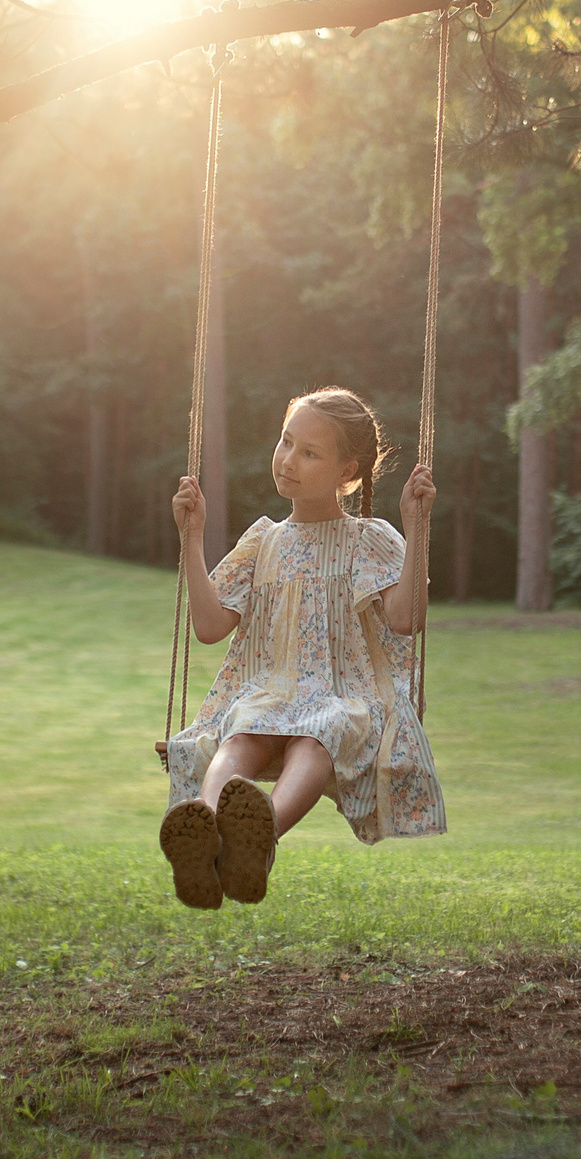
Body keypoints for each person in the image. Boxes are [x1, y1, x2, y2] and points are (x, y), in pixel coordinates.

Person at [157, 388, 444, 909]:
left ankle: (257, 838)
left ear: (347, 471)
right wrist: (192, 538)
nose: (288, 460)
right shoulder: (263, 540)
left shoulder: (369, 538)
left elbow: (406, 619)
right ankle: (205, 830)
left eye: (309, 452)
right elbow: (209, 624)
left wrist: (416, 525)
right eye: (286, 442)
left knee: (319, 733)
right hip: (269, 691)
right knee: (240, 733)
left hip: (344, 695)